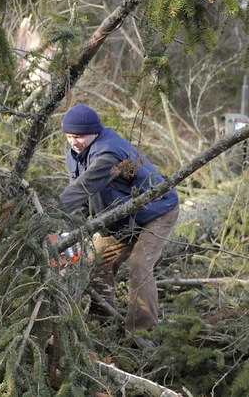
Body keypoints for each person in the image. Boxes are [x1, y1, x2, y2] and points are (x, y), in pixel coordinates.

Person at [58, 103, 179, 346]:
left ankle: (142, 334)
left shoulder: (109, 154)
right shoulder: (76, 154)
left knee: (139, 264)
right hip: (119, 216)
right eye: (70, 137)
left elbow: (83, 188)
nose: (74, 142)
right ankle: (101, 319)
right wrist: (67, 227)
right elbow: (84, 199)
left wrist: (49, 213)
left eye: (79, 136)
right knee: (95, 262)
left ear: (95, 132)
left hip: (156, 212)